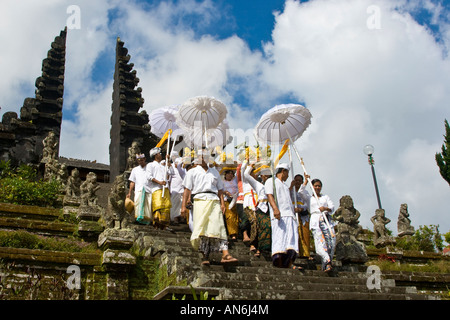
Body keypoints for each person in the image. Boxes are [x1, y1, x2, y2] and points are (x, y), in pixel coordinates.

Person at [181, 150, 238, 266]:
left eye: (206, 157)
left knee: (219, 226)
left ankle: (225, 254)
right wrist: (183, 207)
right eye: (202, 157)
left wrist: (222, 203)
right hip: (199, 200)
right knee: (202, 228)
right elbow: (187, 189)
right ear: (198, 158)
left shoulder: (215, 172)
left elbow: (220, 190)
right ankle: (204, 256)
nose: (204, 159)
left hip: (214, 200)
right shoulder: (192, 172)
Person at [265, 163, 300, 269]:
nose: (288, 175)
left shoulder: (284, 185)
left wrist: (291, 187)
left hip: (289, 215)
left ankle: (289, 262)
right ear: (283, 171)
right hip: (280, 215)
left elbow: (286, 198)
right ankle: (279, 260)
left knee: (291, 240)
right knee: (280, 238)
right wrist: (275, 209)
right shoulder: (271, 181)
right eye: (287, 173)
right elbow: (269, 195)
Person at [299, 177, 336, 272]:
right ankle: (328, 260)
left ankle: (326, 265)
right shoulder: (309, 198)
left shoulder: (325, 197)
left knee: (331, 242)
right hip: (316, 221)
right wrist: (306, 181)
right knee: (320, 243)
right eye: (315, 186)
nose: (317, 187)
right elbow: (300, 192)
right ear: (312, 187)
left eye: (319, 186)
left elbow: (332, 207)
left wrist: (325, 208)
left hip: (326, 220)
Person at [242, 161, 272, 256]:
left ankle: (266, 248)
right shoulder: (259, 185)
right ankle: (255, 246)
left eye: (268, 175)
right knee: (257, 225)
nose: (266, 177)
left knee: (269, 228)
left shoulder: (274, 185)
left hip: (270, 209)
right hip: (260, 208)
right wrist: (250, 165)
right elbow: (246, 175)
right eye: (265, 175)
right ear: (262, 176)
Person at [147, 147, 174, 229]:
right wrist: (159, 182)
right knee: (158, 206)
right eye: (159, 154)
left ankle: (164, 225)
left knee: (166, 207)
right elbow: (149, 176)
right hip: (157, 189)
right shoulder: (150, 165)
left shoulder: (163, 166)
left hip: (165, 188)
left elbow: (172, 172)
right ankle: (156, 224)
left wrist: (168, 162)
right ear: (155, 155)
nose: (161, 155)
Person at [289, 174, 311, 259]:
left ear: (302, 182)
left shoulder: (305, 192)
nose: (298, 182)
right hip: (293, 213)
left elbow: (307, 203)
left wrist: (301, 209)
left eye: (299, 181)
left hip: (303, 215)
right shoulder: (291, 190)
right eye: (296, 180)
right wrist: (291, 186)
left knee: (304, 233)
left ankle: (305, 253)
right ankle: (295, 252)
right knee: (294, 233)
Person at [127, 154, 153, 224]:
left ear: (144, 159)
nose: (140, 162)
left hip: (148, 189)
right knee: (138, 203)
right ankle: (138, 218)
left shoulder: (149, 168)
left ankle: (147, 220)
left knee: (148, 205)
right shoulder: (135, 170)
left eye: (141, 160)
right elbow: (132, 182)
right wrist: (129, 192)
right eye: (139, 161)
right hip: (138, 190)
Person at [222, 169, 239, 241]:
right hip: (227, 201)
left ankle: (237, 232)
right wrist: (226, 192)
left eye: (231, 173)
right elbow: (220, 189)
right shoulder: (222, 182)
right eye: (228, 173)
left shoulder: (235, 180)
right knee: (230, 217)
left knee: (236, 217)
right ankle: (233, 234)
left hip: (237, 200)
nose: (230, 175)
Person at [169, 150, 185, 224]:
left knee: (182, 203)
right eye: (172, 156)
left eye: (174, 156)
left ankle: (181, 217)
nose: (173, 157)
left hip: (182, 187)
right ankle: (175, 218)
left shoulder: (183, 167)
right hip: (174, 188)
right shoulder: (170, 166)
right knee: (174, 204)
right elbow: (169, 179)